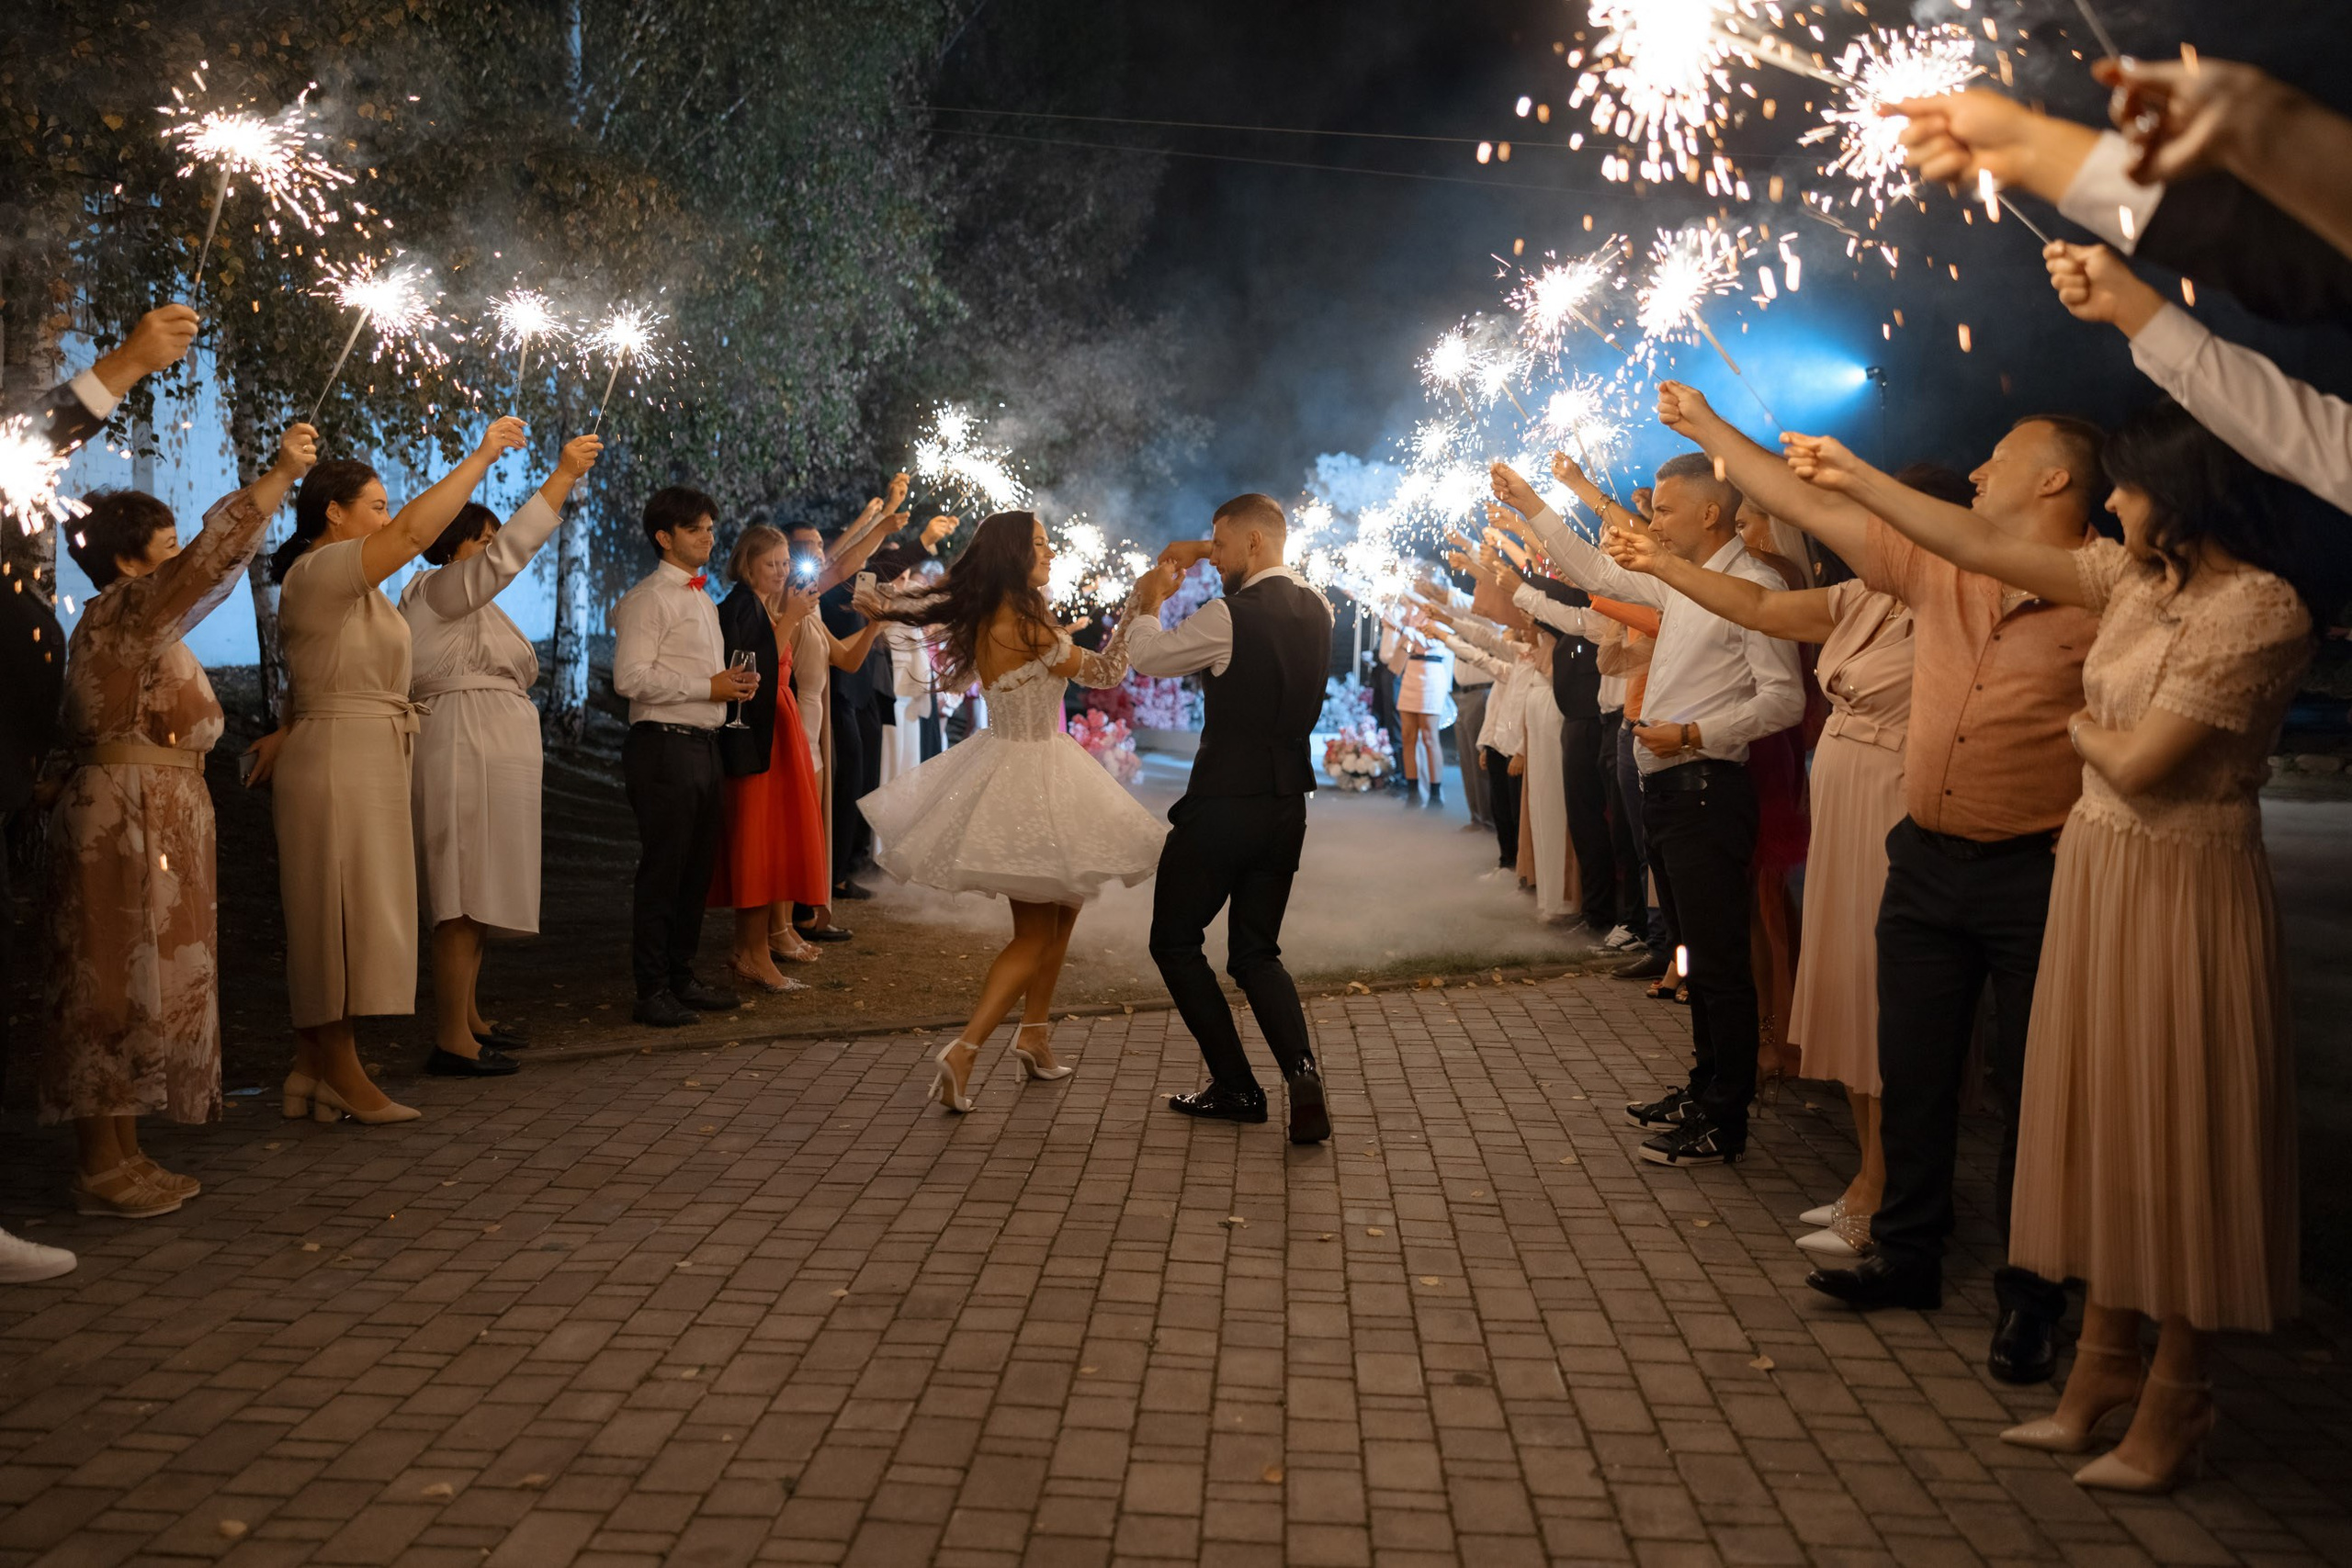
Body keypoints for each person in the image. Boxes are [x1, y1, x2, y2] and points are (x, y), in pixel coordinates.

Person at [1786, 401, 2315, 1495]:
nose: (2111, 504)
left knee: (2162, 1121)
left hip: (2181, 882)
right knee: (2099, 1111)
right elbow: (1968, 539)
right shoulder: (2137, 584)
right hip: (2101, 870)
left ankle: (2171, 1391)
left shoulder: (2260, 607)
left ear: (2178, 493)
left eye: (2125, 488)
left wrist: (2070, 732)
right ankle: (2101, 1371)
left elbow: (2139, 763)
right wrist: (1854, 474)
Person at [1602, 447, 1973, 1259]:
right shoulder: (1857, 597)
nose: (1874, 534)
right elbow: (1623, 578)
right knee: (1819, 978)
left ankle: (1844, 1163)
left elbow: (1777, 688)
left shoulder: (1938, 601)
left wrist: (1697, 733)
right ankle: (1851, 1165)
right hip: (1825, 800)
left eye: (1890, 521)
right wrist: (1551, 504)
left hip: (1851, 800)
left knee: (1800, 972)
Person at [1492, 453, 1804, 1167]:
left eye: (1663, 510)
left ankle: (1727, 1117)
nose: (1652, 522)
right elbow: (1597, 576)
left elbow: (1782, 699)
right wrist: (1536, 501)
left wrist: (1695, 734)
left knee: (1720, 963)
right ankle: (1702, 1086)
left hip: (1705, 791)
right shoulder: (1684, 585)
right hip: (1667, 790)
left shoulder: (1751, 587)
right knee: (1694, 953)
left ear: (1709, 514)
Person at [40, 423, 317, 1216]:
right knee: (112, 974)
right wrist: (280, 474)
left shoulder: (141, 622)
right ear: (131, 560)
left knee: (147, 980)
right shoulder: (128, 609)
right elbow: (212, 562)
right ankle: (97, 1159)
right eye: (164, 546)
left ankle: (125, 1146)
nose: (178, 560)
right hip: (125, 820)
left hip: (159, 813)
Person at [247, 417, 529, 1124]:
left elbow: (320, 668)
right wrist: (485, 454)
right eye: (374, 504)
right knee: (334, 911)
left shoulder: (356, 589)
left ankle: (313, 1067)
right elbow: (410, 535)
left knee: (354, 907)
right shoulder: (318, 570)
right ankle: (341, 1068)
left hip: (363, 746)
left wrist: (287, 724)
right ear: (333, 512)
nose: (388, 516)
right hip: (340, 756)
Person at [857, 512, 1164, 1110]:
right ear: (1013, 555)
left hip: (1016, 762)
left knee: (1066, 905)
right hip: (1032, 772)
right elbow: (1104, 671)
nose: (1050, 554)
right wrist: (1139, 605)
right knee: (1033, 933)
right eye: (1041, 546)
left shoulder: (1001, 612)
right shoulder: (1024, 620)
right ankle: (966, 1048)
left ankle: (1035, 1035)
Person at [1125, 494, 1336, 1145]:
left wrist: (1148, 602)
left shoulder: (1228, 616)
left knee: (1174, 940)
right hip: (1286, 807)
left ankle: (1237, 1084)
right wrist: (1196, 546)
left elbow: (1149, 657)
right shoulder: (1319, 608)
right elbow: (1248, 559)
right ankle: (1300, 1069)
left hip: (1224, 804)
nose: (1212, 560)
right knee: (1255, 951)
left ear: (1252, 543)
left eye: (1219, 547)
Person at [399, 434, 603, 1077]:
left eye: (492, 540)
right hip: (462, 742)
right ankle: (450, 1038)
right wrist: (560, 479)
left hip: (490, 742)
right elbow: (509, 557)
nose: (492, 552)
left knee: (478, 886)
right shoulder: (437, 590)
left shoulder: (474, 610)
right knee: (459, 889)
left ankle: (471, 1017)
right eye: (482, 540)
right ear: (454, 544)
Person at [610, 487, 755, 1029]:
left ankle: (680, 976)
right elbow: (630, 678)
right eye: (696, 529)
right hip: (663, 746)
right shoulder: (650, 598)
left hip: (703, 744)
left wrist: (725, 688)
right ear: (664, 538)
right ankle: (649, 989)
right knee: (664, 870)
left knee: (696, 870)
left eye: (711, 528)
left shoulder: (700, 594)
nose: (709, 538)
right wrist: (707, 686)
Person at [708, 525, 826, 992]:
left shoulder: (762, 605)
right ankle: (750, 952)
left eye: (784, 563)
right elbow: (754, 670)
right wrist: (792, 620)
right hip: (759, 728)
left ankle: (760, 947)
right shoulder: (739, 606)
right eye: (770, 564)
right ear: (747, 564)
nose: (780, 571)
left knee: (772, 837)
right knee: (756, 837)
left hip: (780, 724)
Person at [783, 520, 888, 944]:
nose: (816, 556)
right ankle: (787, 921)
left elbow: (845, 658)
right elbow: (846, 564)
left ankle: (805, 912)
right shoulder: (782, 608)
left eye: (817, 546)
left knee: (813, 827)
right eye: (804, 549)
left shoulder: (809, 611)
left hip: (814, 731)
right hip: (792, 727)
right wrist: (882, 519)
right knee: (794, 828)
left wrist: (877, 624)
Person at [1382, 609, 1453, 807]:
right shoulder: (1413, 612)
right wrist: (1399, 626)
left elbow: (1432, 641)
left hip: (1431, 672)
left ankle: (1435, 794)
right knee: (1407, 735)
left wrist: (1402, 626)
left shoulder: (1441, 611)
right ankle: (1413, 793)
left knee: (1429, 736)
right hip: (1411, 670)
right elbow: (1407, 642)